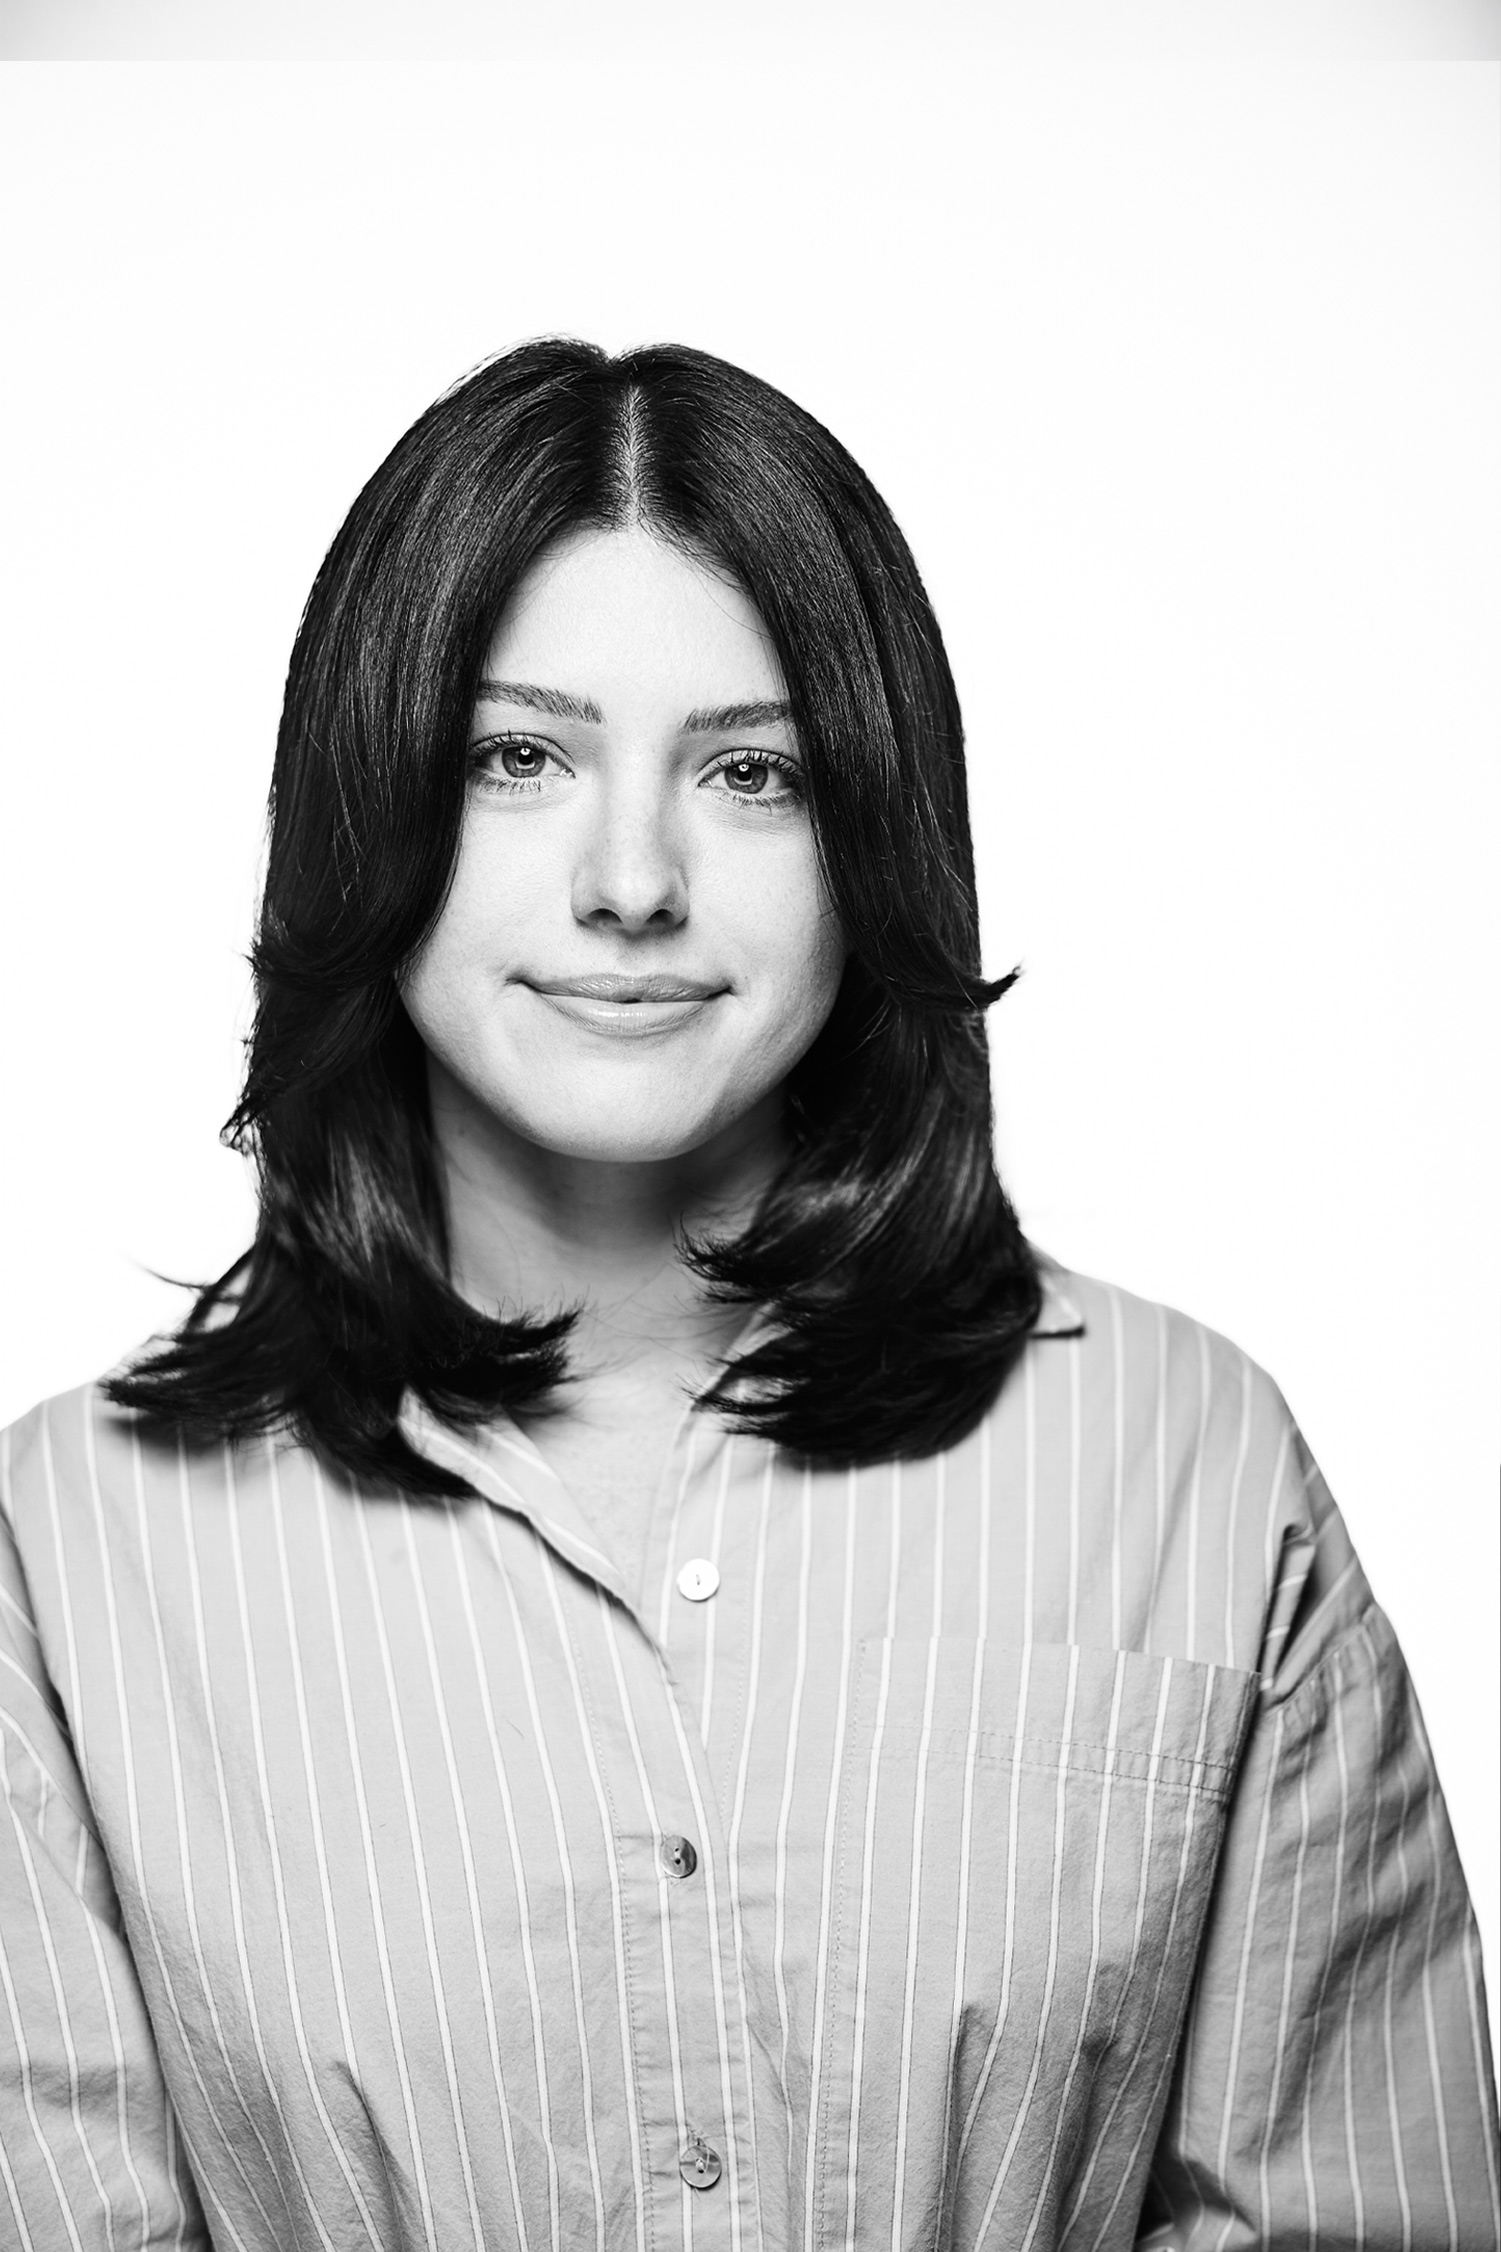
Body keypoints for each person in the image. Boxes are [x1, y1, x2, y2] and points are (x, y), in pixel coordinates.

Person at [0, 339, 1494, 2252]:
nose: (632, 880)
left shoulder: (1186, 1460)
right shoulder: (70, 1545)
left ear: (870, 835)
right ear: (368, 805)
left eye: (750, 772)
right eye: (516, 757)